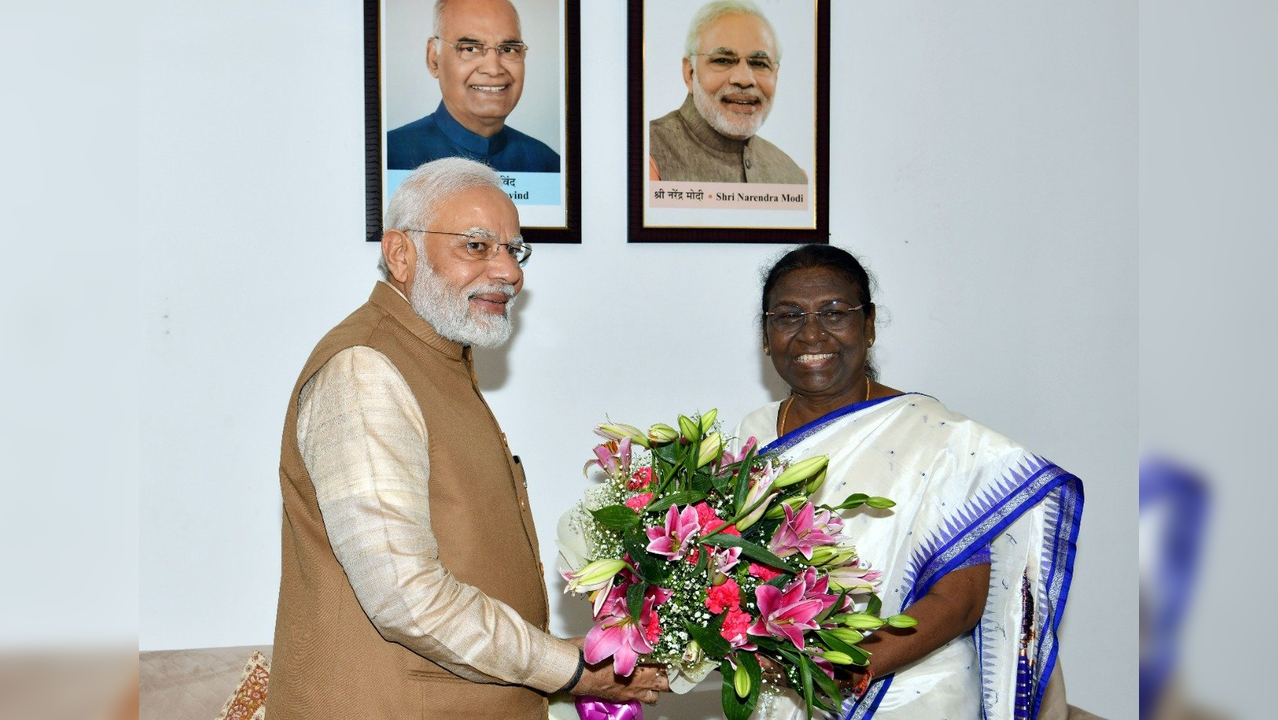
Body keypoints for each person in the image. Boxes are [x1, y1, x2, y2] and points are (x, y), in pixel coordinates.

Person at [265, 158, 667, 718]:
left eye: (514, 249)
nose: (509, 272)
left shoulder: (435, 354)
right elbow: (406, 597)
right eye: (477, 247)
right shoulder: (366, 370)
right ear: (402, 255)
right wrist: (570, 670)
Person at [731, 245, 1087, 718]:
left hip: (909, 691)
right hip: (784, 692)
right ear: (766, 332)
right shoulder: (751, 434)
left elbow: (959, 601)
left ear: (870, 325)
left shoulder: (936, 438)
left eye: (835, 313)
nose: (811, 333)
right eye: (788, 315)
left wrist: (841, 667)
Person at [387, 0, 560, 172]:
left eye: (508, 49)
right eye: (470, 48)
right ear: (434, 59)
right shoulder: (389, 157)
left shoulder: (549, 165)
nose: (493, 69)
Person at [648, 0, 806, 183]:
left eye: (759, 63)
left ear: (776, 76)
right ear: (690, 73)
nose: (744, 79)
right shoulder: (646, 154)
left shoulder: (794, 176)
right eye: (723, 60)